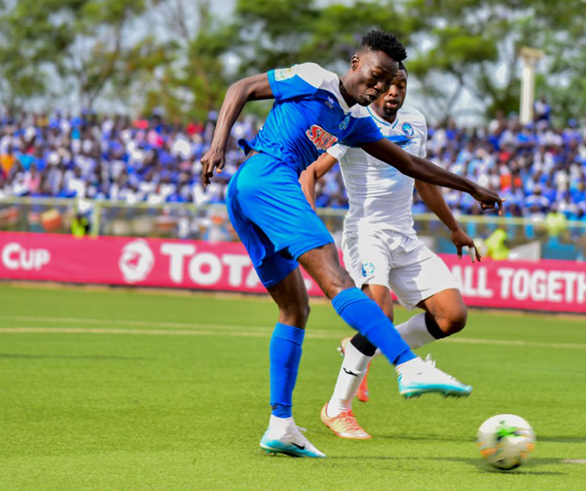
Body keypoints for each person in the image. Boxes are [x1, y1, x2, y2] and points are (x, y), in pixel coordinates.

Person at [199, 30, 502, 458]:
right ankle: (408, 365)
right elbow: (242, 88)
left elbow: (410, 163)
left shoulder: (353, 123)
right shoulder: (314, 78)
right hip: (268, 177)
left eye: (391, 81)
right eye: (377, 76)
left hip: (251, 191)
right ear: (357, 63)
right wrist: (217, 146)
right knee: (338, 281)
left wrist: (471, 187)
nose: (380, 87)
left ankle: (281, 425)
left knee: (294, 308)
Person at [299, 63, 478, 440]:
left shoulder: (416, 122)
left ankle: (361, 348)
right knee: (379, 310)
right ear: (375, 87)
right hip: (366, 234)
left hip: (404, 236)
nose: (395, 92)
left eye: (402, 85)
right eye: (389, 86)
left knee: (452, 316)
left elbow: (423, 179)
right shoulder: (353, 122)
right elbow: (313, 171)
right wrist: (307, 218)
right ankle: (337, 409)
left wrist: (454, 227)